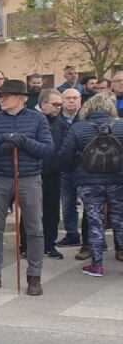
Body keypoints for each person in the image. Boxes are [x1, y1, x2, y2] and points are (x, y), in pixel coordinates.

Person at [0, 79, 55, 295]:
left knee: (35, 228)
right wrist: (2, 139)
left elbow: (47, 150)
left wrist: (23, 141)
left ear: (21, 98)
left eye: (5, 96)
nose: (1, 99)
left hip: (29, 177)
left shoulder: (38, 119)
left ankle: (34, 276)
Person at [55, 92, 123, 278]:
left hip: (88, 182)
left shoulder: (78, 128)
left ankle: (97, 265)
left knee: (95, 221)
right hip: (118, 181)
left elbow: (64, 158)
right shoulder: (121, 125)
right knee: (120, 220)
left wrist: (77, 167)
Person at [36, 89, 67, 260]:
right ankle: (25, 245)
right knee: (30, 211)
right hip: (33, 173)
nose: (58, 108)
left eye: (60, 105)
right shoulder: (33, 120)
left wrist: (59, 163)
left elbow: (66, 145)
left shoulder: (61, 123)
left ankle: (49, 244)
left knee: (52, 212)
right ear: (43, 105)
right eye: (55, 104)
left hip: (53, 174)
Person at [58, 88, 84, 247]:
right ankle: (72, 234)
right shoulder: (55, 118)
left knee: (91, 205)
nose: (72, 101)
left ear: (80, 99)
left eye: (75, 98)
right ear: (62, 100)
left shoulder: (86, 118)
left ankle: (93, 238)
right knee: (68, 204)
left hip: (84, 169)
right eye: (68, 98)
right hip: (64, 169)